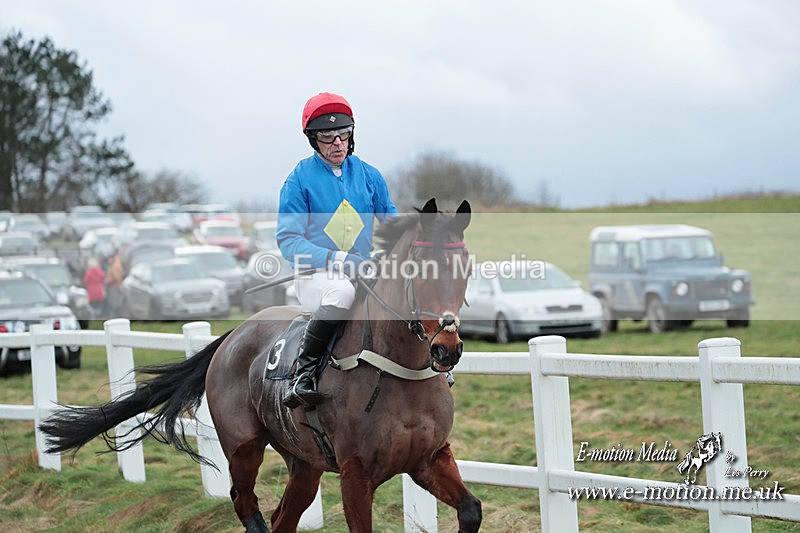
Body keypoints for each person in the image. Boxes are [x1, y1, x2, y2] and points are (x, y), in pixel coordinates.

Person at [277, 92, 398, 408]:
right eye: (328, 137)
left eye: (343, 135)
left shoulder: (369, 175)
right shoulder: (298, 180)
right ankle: (303, 375)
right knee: (342, 293)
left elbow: (393, 224)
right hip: (316, 276)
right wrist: (338, 259)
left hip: (363, 270)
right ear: (313, 140)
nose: (338, 143)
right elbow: (288, 241)